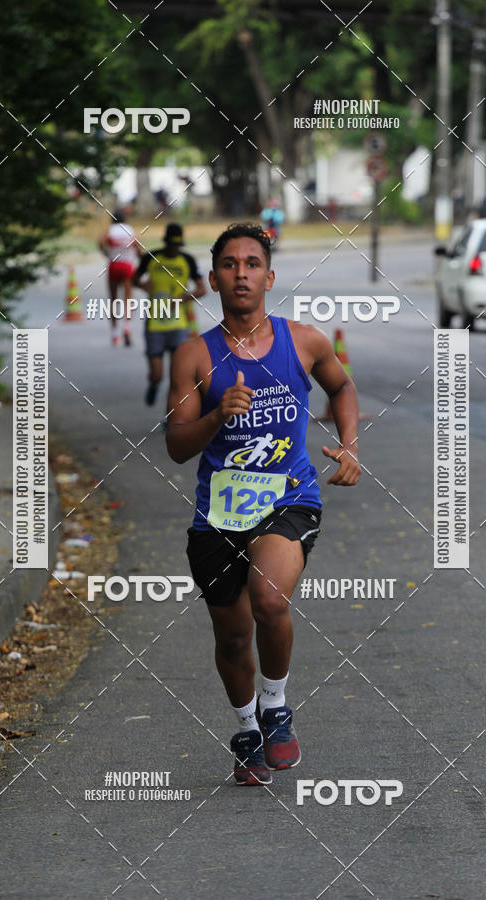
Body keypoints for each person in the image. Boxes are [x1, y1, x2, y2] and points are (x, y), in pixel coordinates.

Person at [166, 223, 361, 786]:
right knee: (231, 636)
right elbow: (177, 446)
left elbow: (341, 388)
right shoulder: (193, 357)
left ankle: (276, 706)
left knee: (269, 598)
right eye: (230, 264)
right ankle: (247, 728)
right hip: (218, 514)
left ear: (269, 277)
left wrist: (349, 446)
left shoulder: (303, 340)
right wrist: (215, 414)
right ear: (213, 279)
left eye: (252, 264)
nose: (242, 273)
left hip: (289, 497)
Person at [135, 223, 207, 406]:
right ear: (165, 243)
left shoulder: (187, 260)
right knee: (158, 374)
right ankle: (154, 384)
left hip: (179, 325)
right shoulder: (151, 258)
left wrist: (183, 298)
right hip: (155, 325)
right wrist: (144, 286)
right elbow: (134, 279)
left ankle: (171, 414)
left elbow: (202, 289)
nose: (174, 250)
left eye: (177, 247)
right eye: (171, 246)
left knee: (178, 377)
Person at [98, 208, 141, 347]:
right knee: (128, 299)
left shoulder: (110, 230)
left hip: (114, 265)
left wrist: (106, 253)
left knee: (114, 300)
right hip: (127, 265)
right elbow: (138, 249)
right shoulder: (130, 229)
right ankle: (126, 327)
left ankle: (115, 335)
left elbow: (100, 242)